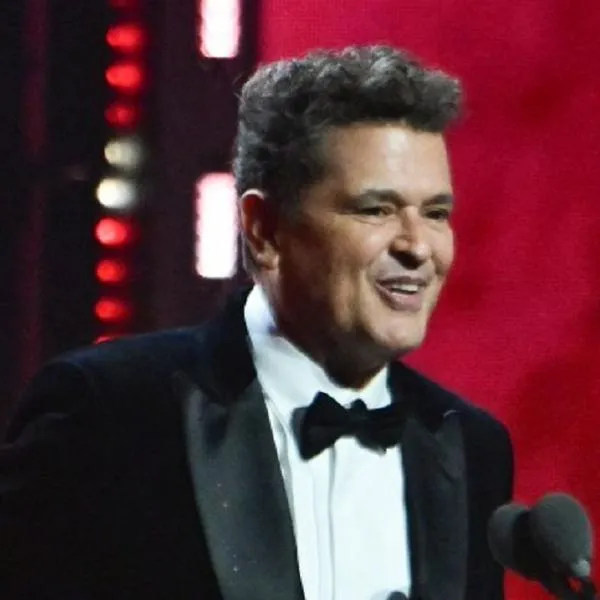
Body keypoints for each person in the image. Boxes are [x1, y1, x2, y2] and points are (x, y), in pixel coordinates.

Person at [0, 45, 513, 600]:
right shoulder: (109, 412)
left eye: (436, 214)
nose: (418, 247)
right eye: (376, 209)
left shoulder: (471, 446)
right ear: (264, 229)